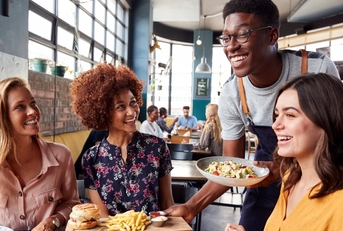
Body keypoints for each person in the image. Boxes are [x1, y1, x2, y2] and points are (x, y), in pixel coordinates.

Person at [164, 0, 339, 230]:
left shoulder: (317, 69)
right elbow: (231, 166)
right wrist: (191, 206)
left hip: (325, 178)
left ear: (272, 36)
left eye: (243, 34)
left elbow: (339, 138)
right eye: (226, 37)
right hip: (264, 182)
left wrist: (284, 167)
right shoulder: (232, 92)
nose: (231, 46)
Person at [226, 73, 343, 231]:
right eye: (276, 115)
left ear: (326, 120)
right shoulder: (290, 180)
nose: (275, 125)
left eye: (290, 115)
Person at [69, 63, 174, 217]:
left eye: (133, 103)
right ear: (103, 112)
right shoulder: (91, 158)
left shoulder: (157, 147)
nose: (132, 112)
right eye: (120, 107)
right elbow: (103, 217)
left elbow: (167, 204)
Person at [0, 77, 79, 231]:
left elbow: (72, 204)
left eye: (33, 104)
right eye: (20, 107)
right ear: (4, 117)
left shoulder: (61, 155)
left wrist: (52, 221)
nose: (32, 112)